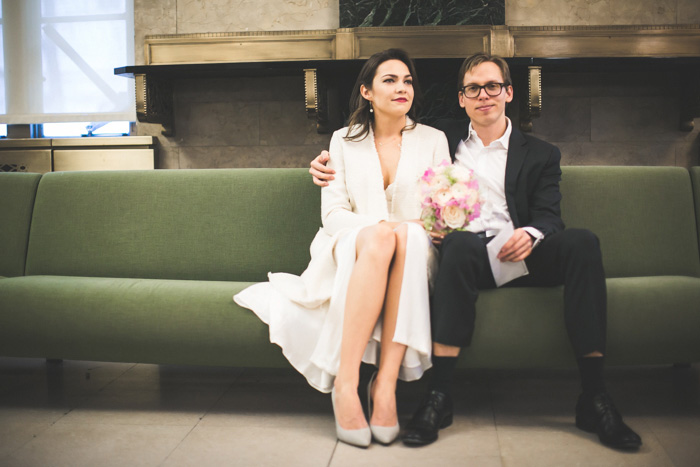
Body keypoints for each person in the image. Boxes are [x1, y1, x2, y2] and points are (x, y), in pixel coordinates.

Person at [309, 53, 642, 450]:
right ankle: (440, 395)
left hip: (522, 251)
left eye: (493, 86)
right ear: (462, 99)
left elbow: (552, 216)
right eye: (473, 89)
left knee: (584, 242)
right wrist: (321, 164)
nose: (484, 95)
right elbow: (385, 140)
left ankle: (595, 395)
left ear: (509, 93)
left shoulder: (541, 153)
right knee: (460, 242)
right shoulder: (441, 138)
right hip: (467, 255)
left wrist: (532, 233)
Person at [234, 48, 450, 448]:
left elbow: (438, 214)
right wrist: (385, 229)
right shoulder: (342, 141)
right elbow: (333, 217)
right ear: (367, 92)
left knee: (410, 238)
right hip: (352, 246)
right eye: (390, 80)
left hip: (414, 252)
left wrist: (404, 231)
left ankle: (385, 386)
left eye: (407, 81)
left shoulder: (434, 141)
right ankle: (346, 384)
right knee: (385, 236)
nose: (402, 87)